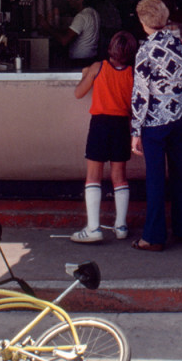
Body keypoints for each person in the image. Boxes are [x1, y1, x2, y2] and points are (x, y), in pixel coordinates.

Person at [129, 0, 182, 251]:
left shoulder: (145, 51)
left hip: (154, 123)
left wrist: (135, 131)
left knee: (156, 179)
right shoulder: (181, 43)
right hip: (180, 117)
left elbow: (140, 94)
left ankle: (154, 237)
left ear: (143, 21)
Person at [70, 30, 139, 243]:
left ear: (109, 48)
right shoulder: (132, 73)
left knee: (93, 176)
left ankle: (93, 228)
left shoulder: (97, 68)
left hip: (100, 124)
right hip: (121, 125)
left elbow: (78, 92)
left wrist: (85, 75)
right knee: (119, 176)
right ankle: (121, 226)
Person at [40, 0, 100, 68]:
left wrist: (47, 27)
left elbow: (64, 40)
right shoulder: (94, 13)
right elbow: (73, 31)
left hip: (80, 63)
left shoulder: (81, 17)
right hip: (91, 60)